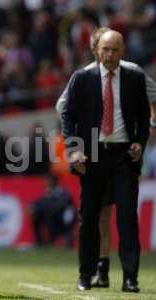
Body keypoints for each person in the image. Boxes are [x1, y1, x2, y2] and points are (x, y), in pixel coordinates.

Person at [56, 27, 156, 288]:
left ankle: (131, 278)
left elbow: (144, 117)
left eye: (114, 50)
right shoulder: (82, 78)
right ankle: (86, 274)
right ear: (97, 51)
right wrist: (73, 148)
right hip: (92, 155)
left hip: (124, 155)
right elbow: (66, 115)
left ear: (122, 51)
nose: (110, 54)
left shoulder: (134, 76)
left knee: (126, 217)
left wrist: (140, 143)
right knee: (88, 216)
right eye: (105, 49)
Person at [30, 175, 76, 247]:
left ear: (54, 182)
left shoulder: (63, 192)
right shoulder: (48, 192)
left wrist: (46, 208)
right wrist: (33, 207)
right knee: (36, 217)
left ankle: (55, 241)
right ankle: (39, 242)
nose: (46, 183)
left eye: (48, 181)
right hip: (51, 216)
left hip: (63, 216)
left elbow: (60, 205)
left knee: (50, 216)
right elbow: (40, 202)